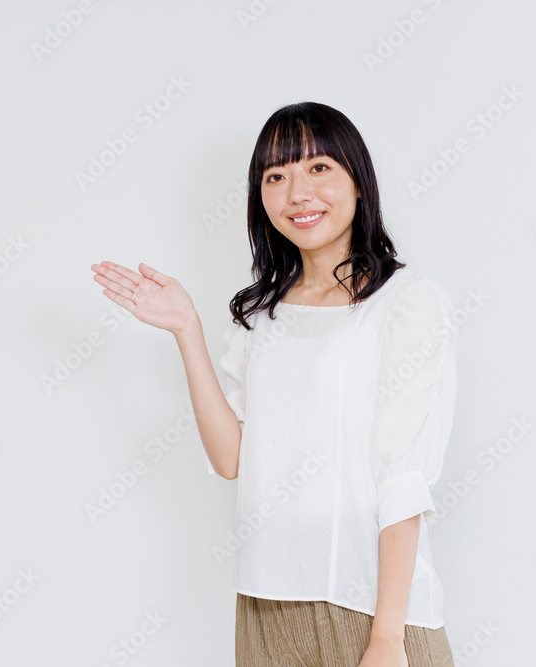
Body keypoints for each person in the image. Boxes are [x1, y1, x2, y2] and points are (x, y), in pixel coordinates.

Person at [90, 101, 458, 667]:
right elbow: (233, 458)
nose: (297, 194)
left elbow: (403, 480)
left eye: (319, 168)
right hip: (266, 604)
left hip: (370, 608)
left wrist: (387, 639)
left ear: (359, 181)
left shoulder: (406, 303)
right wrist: (187, 331)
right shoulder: (262, 315)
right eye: (276, 177)